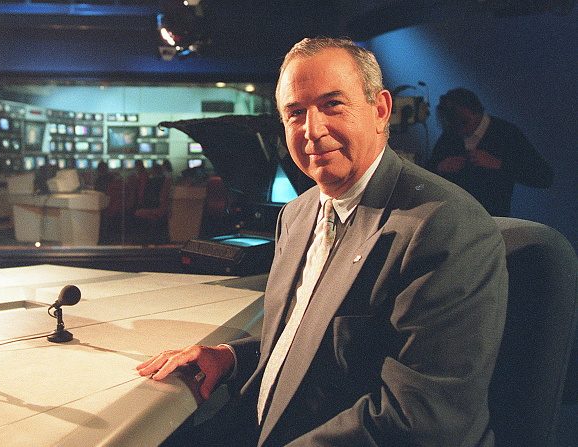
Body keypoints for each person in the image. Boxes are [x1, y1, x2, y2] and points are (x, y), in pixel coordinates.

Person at [137, 38, 508, 446]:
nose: (312, 130)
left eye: (333, 105)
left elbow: (422, 419)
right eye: (296, 113)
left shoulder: (447, 228)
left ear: (380, 111)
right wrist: (230, 356)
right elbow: (308, 339)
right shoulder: (297, 215)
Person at [427, 88, 553, 216]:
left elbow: (544, 177)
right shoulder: (450, 135)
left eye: (464, 122)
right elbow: (423, 179)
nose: (460, 130)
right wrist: (440, 167)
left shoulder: (506, 133)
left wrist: (499, 164)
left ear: (477, 111)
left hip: (493, 221)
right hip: (454, 219)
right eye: (453, 124)